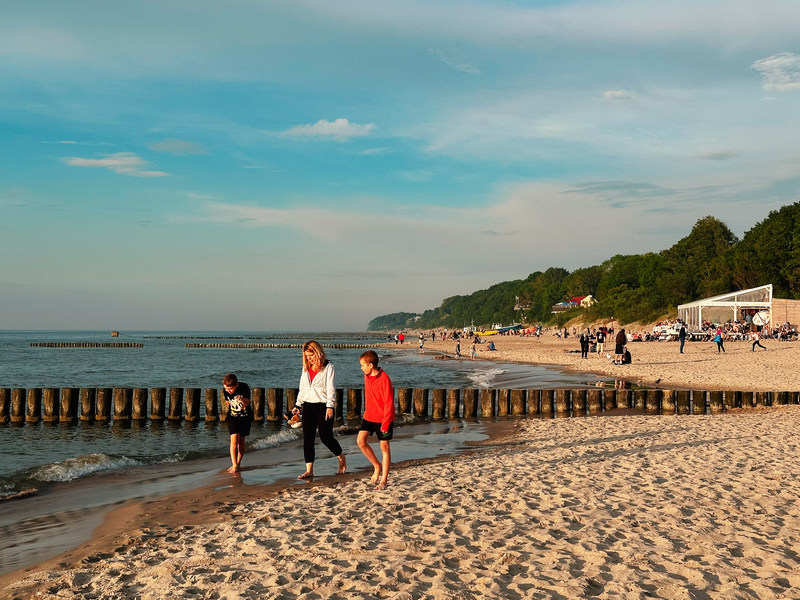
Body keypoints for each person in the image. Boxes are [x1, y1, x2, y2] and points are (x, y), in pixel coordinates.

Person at [291, 340, 346, 479]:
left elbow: (331, 388)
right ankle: (309, 470)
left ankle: (341, 458)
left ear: (318, 352)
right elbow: (302, 388)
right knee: (308, 439)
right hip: (308, 406)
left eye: (311, 355)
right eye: (307, 356)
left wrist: (330, 406)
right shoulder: (306, 368)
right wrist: (298, 405)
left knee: (325, 437)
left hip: (323, 406)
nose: (309, 358)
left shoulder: (328, 367)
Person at [357, 350, 394, 489]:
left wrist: (385, 423)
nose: (361, 367)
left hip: (384, 418)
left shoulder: (385, 379)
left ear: (371, 365)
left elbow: (389, 403)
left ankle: (384, 480)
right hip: (369, 416)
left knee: (384, 447)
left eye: (362, 365)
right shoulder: (367, 376)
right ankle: (376, 466)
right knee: (361, 441)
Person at [222, 373, 253, 474]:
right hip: (232, 417)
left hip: (245, 417)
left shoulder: (244, 387)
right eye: (226, 389)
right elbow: (227, 402)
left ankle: (238, 463)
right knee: (234, 439)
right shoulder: (225, 390)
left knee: (241, 441)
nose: (228, 391)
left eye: (230, 389)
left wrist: (241, 399)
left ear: (236, 385)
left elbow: (248, 402)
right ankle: (234, 464)